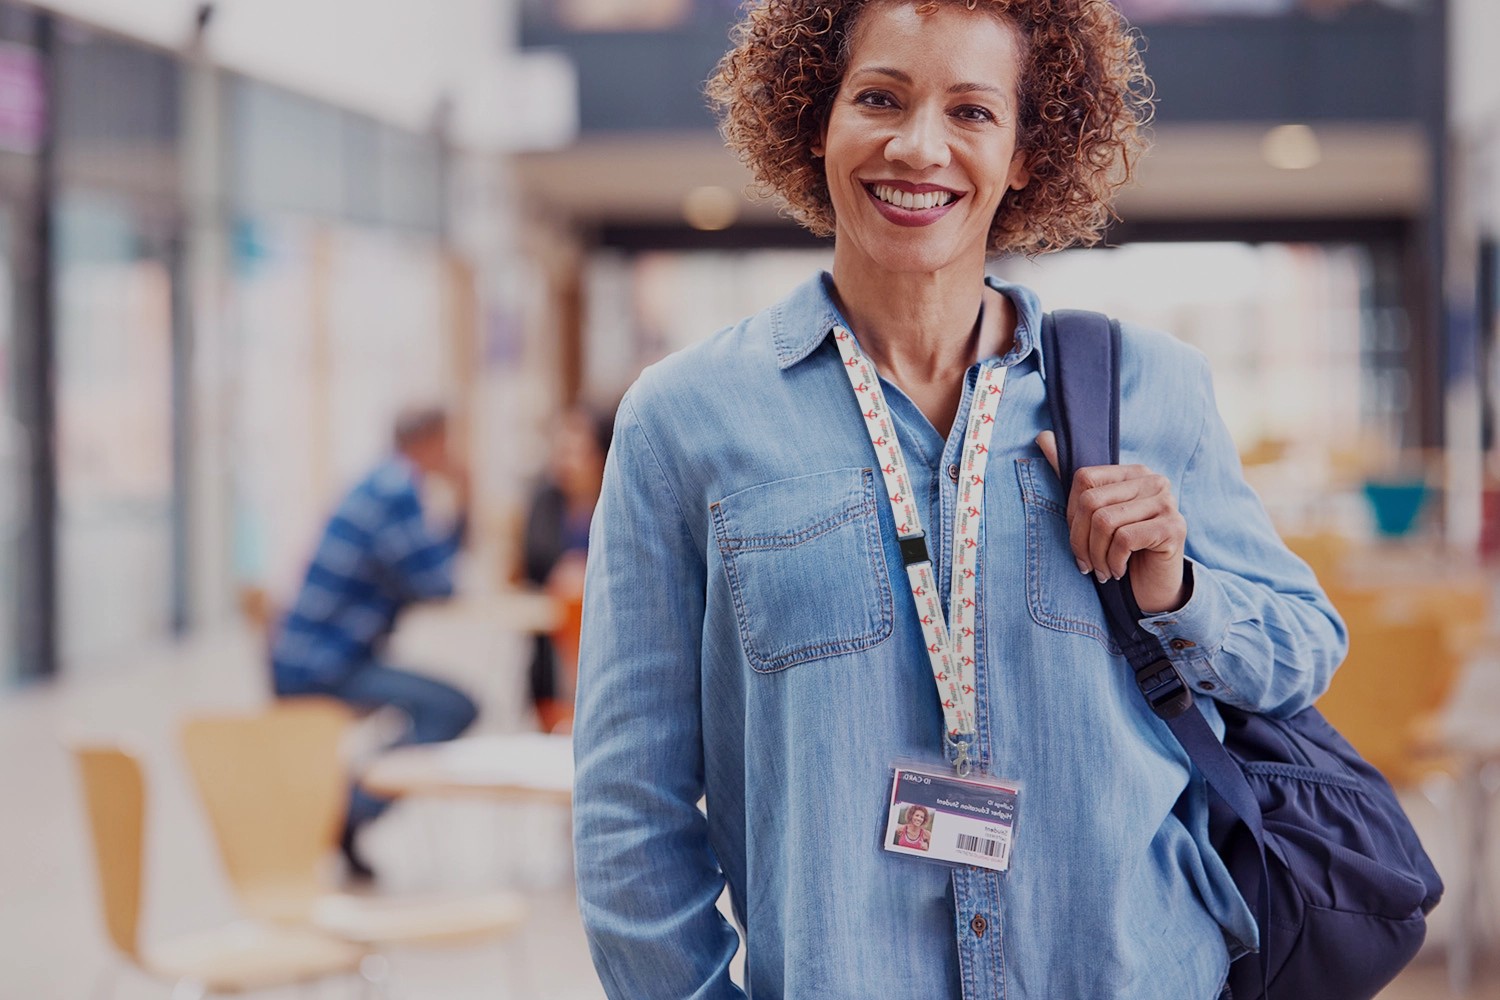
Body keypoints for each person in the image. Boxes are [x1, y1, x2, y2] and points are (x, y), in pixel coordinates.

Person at [572, 1, 1346, 998]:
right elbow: (628, 807)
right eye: (879, 98)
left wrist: (1175, 588)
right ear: (817, 119)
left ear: (1025, 153)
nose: (919, 146)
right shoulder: (683, 421)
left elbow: (1303, 650)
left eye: (973, 112)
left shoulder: (1151, 390)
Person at [272, 406, 479, 881]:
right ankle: (345, 813)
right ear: (433, 441)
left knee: (441, 701)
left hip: (314, 657)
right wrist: (465, 502)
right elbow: (438, 583)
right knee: (455, 706)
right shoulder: (396, 490)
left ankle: (348, 808)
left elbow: (430, 573)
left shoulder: (377, 482)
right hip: (323, 666)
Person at [518, 404, 613, 732]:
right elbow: (535, 564)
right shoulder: (546, 500)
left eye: (577, 452)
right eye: (561, 451)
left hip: (604, 641)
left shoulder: (616, 501)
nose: (565, 462)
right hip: (553, 643)